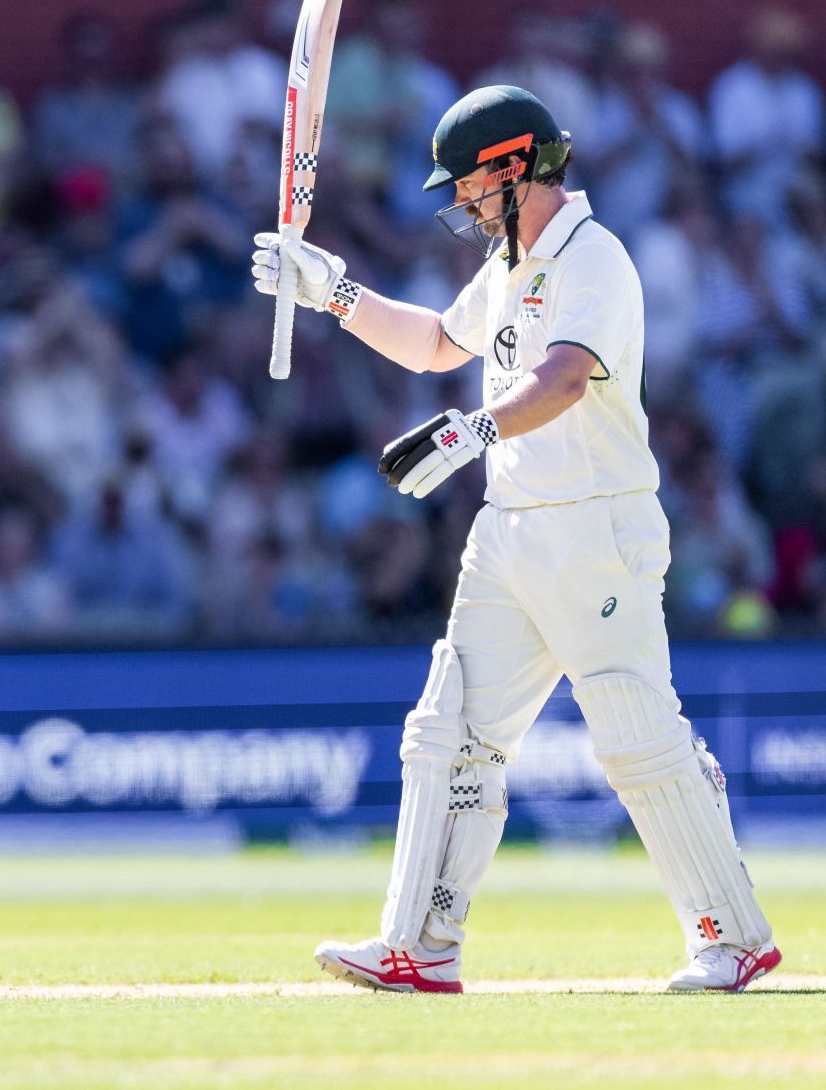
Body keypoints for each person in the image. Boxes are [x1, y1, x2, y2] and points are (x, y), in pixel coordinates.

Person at [252, 84, 778, 995]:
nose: (458, 201)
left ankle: (732, 938)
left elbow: (565, 378)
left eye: (465, 184)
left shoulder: (594, 258)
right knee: (450, 731)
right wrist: (332, 292)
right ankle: (420, 943)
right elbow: (434, 344)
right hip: (510, 529)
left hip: (594, 523)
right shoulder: (509, 264)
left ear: (517, 165)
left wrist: (472, 431)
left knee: (634, 735)